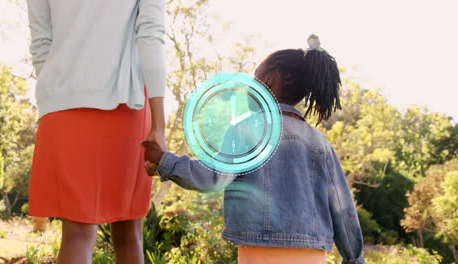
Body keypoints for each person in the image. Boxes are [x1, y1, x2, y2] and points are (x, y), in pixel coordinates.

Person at [142, 36, 365, 264]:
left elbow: (212, 176)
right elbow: (342, 208)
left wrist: (164, 161)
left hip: (260, 252)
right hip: (312, 255)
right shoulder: (321, 143)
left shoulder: (246, 130)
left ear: (270, 78)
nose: (250, 84)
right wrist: (354, 259)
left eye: (255, 76)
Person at [26, 0, 167, 263]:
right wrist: (159, 125)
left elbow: (41, 43)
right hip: (126, 102)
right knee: (129, 235)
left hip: (62, 103)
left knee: (76, 235)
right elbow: (151, 35)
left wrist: (59, 92)